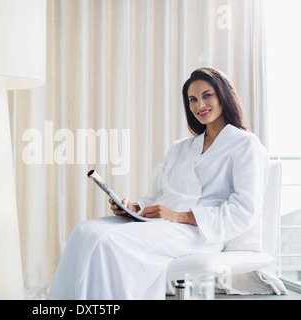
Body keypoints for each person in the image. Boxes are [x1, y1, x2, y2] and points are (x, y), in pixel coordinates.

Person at [47, 68, 270, 300]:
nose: (199, 105)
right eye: (192, 99)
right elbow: (154, 198)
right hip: (160, 225)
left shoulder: (245, 145)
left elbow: (245, 210)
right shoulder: (180, 148)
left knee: (107, 242)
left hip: (201, 232)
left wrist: (179, 216)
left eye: (207, 95)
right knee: (84, 232)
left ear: (224, 95)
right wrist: (133, 208)